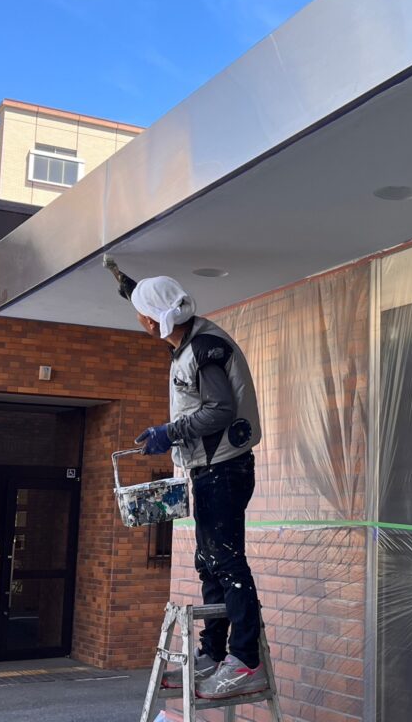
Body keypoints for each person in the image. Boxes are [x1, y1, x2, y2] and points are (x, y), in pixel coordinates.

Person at [126, 274, 267, 700]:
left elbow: (220, 409)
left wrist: (169, 433)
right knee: (210, 563)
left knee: (227, 563)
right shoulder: (190, 339)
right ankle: (213, 653)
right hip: (212, 470)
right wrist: (121, 279)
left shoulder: (204, 350)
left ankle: (245, 661)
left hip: (223, 469)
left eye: (140, 315)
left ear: (151, 322)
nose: (139, 321)